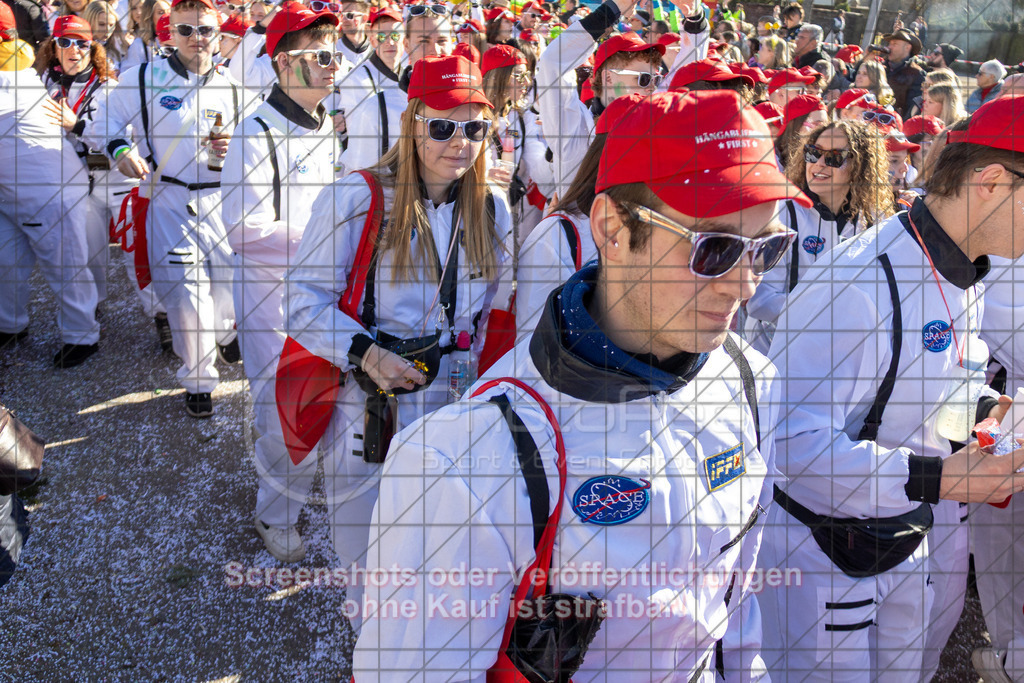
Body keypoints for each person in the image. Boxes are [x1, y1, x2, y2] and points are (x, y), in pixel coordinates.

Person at [353, 87, 808, 683]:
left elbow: (732, 597)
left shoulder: (751, 379)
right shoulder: (459, 460)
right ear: (612, 229)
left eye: (767, 248)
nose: (745, 285)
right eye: (715, 249)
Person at [759, 95, 1024, 682]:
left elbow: (940, 387)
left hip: (904, 535)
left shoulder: (963, 265)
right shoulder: (858, 283)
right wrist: (938, 477)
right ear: (991, 181)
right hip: (821, 555)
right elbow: (783, 444)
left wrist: (994, 416)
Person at [285, 53, 511, 624]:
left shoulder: (494, 209)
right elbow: (300, 302)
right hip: (371, 402)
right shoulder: (355, 199)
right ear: (412, 121)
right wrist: (368, 353)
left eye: (475, 128)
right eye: (442, 126)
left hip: (457, 400)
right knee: (365, 540)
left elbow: (496, 314)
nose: (459, 142)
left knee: (442, 533)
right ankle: (369, 636)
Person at [221, 3, 341, 562]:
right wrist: (329, 238)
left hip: (319, 295)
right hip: (272, 303)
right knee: (280, 415)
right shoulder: (255, 130)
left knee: (319, 403)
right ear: (283, 62)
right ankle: (276, 515)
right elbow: (245, 230)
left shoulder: (323, 126)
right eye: (319, 54)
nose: (332, 63)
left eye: (333, 52)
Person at [94, 0, 248, 417]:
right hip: (170, 199)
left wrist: (235, 147)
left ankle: (222, 333)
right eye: (186, 31)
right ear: (169, 33)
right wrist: (121, 149)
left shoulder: (234, 86)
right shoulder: (145, 78)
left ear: (219, 34)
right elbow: (102, 120)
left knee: (224, 286)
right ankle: (198, 378)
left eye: (206, 31)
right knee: (185, 297)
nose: (197, 39)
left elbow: (253, 144)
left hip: (220, 201)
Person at [0, 1, 99, 364]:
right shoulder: (13, 67)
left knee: (64, 267)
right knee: (5, 261)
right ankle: (10, 324)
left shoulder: (8, 77)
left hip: (48, 191)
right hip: (10, 189)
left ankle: (82, 335)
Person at [746, 118, 894, 353]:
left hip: (841, 352)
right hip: (773, 352)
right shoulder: (782, 212)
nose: (819, 164)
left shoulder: (874, 220)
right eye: (814, 153)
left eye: (834, 157)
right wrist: (828, 316)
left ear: (859, 166)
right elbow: (760, 301)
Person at [536, 0, 685, 196]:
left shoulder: (652, 124)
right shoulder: (576, 129)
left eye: (656, 79)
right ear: (608, 77)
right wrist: (610, 10)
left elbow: (691, 79)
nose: (652, 87)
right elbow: (552, 63)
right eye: (643, 79)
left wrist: (694, 22)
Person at [332, 6, 404, 173]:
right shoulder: (357, 80)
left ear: (404, 40)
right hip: (373, 174)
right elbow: (360, 144)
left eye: (395, 35)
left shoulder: (409, 74)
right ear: (372, 41)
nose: (389, 42)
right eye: (381, 37)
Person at [884, 27, 925, 118]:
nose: (889, 47)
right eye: (890, 43)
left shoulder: (916, 74)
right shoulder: (881, 67)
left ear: (907, 47)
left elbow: (912, 109)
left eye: (895, 44)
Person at [119, 0, 168, 69]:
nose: (138, 12)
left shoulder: (180, 38)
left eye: (169, 11)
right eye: (134, 8)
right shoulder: (139, 43)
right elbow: (127, 73)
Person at [336, 0, 370, 65]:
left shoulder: (377, 51)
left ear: (364, 18)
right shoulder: (334, 49)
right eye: (341, 15)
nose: (344, 20)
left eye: (349, 15)